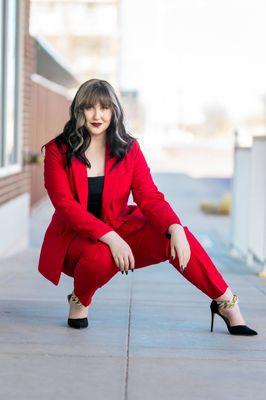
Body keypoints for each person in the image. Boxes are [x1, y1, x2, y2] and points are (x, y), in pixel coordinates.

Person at [38, 78, 257, 335]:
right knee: (100, 256)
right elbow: (65, 206)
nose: (97, 115)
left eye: (105, 108)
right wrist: (111, 239)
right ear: (79, 110)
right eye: (89, 107)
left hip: (120, 226)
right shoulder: (58, 150)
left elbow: (149, 196)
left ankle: (226, 304)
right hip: (76, 237)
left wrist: (174, 227)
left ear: (114, 111)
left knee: (177, 237)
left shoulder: (128, 148)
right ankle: (79, 300)